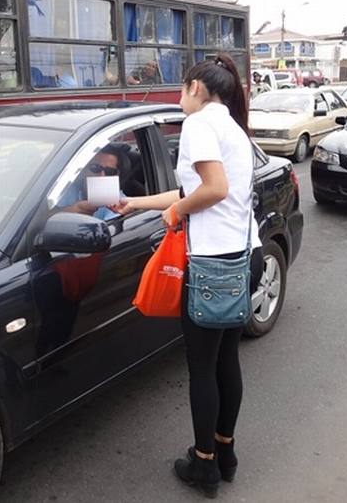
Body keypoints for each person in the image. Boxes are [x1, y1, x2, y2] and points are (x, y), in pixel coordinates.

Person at [110, 52, 262, 498]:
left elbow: (212, 191)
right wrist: (135, 203)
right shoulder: (231, 124)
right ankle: (225, 452)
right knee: (225, 360)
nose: (178, 98)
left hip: (212, 265)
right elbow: (194, 190)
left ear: (196, 88)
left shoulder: (198, 124)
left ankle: (203, 466)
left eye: (180, 89)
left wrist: (176, 212)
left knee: (201, 367)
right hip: (243, 258)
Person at [56, 145, 125, 221]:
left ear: (116, 174)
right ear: (83, 169)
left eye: (110, 171)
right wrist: (69, 211)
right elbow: (44, 218)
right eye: (95, 168)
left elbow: (111, 231)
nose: (102, 175)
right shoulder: (68, 190)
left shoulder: (119, 201)